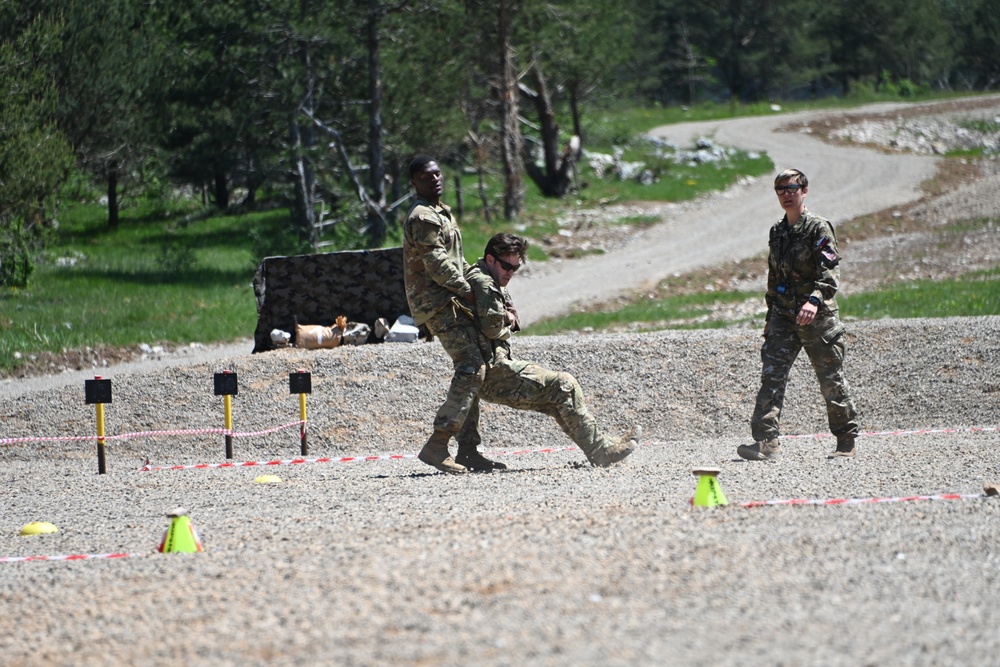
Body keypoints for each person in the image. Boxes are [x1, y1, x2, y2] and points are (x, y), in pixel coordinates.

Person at [458, 232, 638, 470]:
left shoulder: (485, 277)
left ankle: (601, 448)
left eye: (515, 268)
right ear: (490, 259)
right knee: (564, 385)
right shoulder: (484, 282)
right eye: (506, 266)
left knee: (557, 401)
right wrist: (508, 317)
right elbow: (492, 328)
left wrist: (508, 316)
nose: (510, 273)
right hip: (492, 372)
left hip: (486, 369)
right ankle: (601, 450)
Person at [738, 168, 860, 462]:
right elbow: (774, 276)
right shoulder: (777, 232)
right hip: (783, 316)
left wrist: (814, 300)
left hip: (817, 318)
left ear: (804, 191)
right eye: (780, 189)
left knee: (830, 379)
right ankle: (767, 442)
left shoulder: (818, 228)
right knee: (772, 376)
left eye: (792, 188)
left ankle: (846, 440)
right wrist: (770, 318)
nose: (786, 194)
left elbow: (830, 272)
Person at [402, 155, 492, 475]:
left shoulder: (441, 213)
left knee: (475, 365)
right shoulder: (423, 217)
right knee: (471, 367)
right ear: (414, 182)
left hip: (452, 299)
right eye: (426, 177)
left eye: (438, 174)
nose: (435, 180)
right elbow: (438, 264)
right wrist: (467, 290)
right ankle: (438, 445)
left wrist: (483, 286)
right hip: (440, 303)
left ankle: (468, 449)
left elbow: (457, 259)